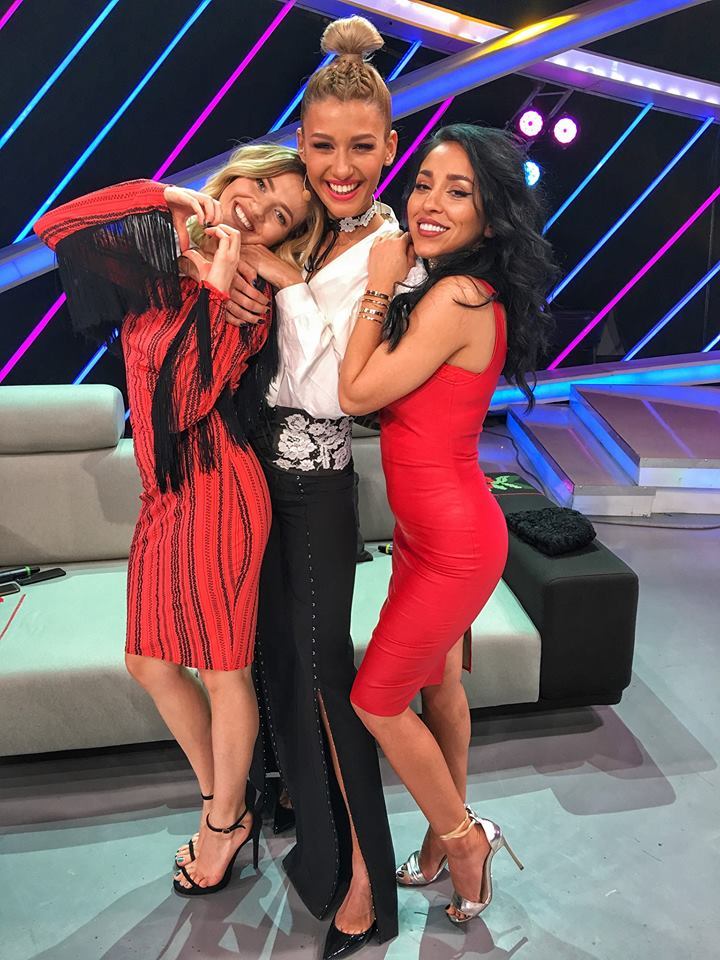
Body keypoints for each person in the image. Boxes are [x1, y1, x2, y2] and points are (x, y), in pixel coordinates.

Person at [34, 144, 321, 897]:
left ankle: (224, 822)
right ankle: (226, 802)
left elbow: (182, 402)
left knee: (223, 671)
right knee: (149, 661)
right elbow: (56, 226)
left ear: (281, 240)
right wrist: (163, 196)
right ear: (237, 174)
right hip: (165, 496)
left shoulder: (247, 300)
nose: (258, 207)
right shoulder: (156, 262)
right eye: (260, 184)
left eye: (280, 215)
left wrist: (217, 286)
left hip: (218, 491)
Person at [339, 124, 556, 925]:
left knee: (375, 699)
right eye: (424, 183)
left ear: (490, 218)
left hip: (455, 545)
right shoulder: (454, 289)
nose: (429, 202)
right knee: (439, 686)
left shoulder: (457, 297)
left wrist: (378, 284)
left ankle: (465, 840)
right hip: (428, 534)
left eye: (457, 191)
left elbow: (357, 393)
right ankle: (440, 839)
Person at [222, 16, 404, 960]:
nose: (341, 166)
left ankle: (370, 883)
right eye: (324, 145)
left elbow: (339, 393)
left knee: (332, 683)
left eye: (360, 147)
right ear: (301, 141)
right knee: (282, 669)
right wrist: (249, 267)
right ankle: (315, 847)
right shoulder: (315, 227)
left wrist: (277, 280)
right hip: (257, 480)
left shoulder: (389, 251)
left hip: (320, 488)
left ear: (390, 146)